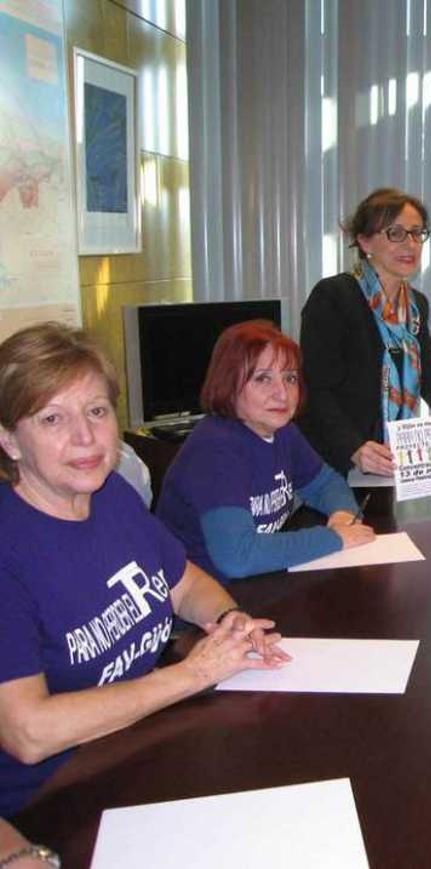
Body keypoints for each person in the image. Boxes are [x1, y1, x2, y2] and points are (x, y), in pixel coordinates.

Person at [0, 323, 289, 818]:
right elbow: (28, 733)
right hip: (53, 796)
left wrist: (228, 617)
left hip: (140, 746)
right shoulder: (11, 551)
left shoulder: (110, 494)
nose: (85, 437)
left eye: (97, 411)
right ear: (9, 441)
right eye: (52, 419)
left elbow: (183, 583)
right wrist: (193, 674)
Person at [299, 188, 431, 475]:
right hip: (337, 460)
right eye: (395, 233)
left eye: (416, 233)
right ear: (364, 241)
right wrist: (354, 448)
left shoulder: (415, 305)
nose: (410, 244)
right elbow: (315, 389)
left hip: (393, 460)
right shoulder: (334, 296)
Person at [156, 321, 375, 582]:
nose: (282, 394)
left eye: (290, 378)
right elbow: (238, 557)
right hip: (210, 610)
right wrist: (333, 538)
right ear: (229, 384)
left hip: (258, 583)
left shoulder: (282, 430)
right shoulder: (214, 451)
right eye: (263, 379)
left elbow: (325, 483)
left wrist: (342, 515)